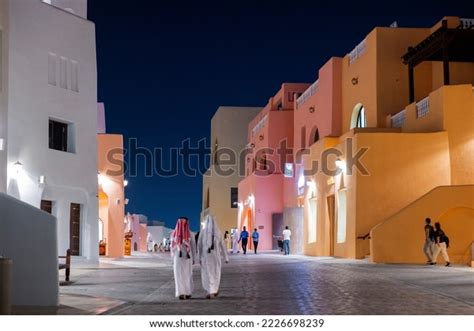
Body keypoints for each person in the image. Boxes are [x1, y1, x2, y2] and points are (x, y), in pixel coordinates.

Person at [198, 215, 229, 299]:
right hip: (206, 258)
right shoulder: (203, 232)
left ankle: (212, 290)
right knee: (208, 273)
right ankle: (212, 290)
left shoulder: (217, 232)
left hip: (215, 258)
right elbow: (199, 245)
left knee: (215, 273)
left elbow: (222, 245)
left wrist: (226, 257)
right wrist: (199, 257)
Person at [170, 217, 197, 300]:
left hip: (177, 258)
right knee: (187, 275)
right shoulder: (191, 234)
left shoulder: (173, 234)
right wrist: (194, 259)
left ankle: (181, 293)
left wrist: (172, 260)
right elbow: (193, 248)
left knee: (179, 275)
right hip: (187, 258)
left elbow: (172, 249)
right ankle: (187, 292)